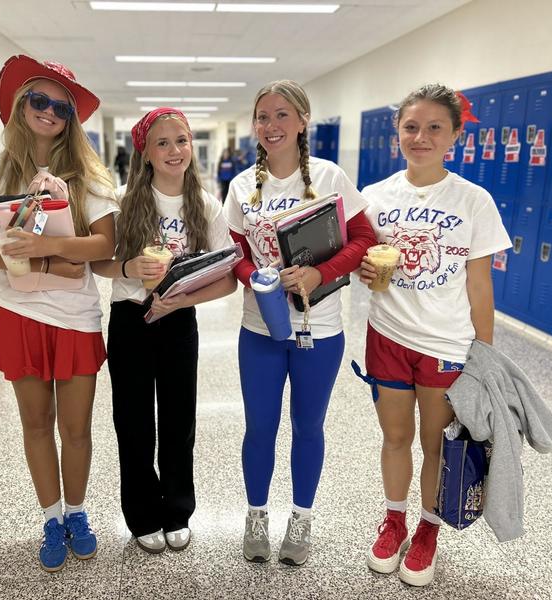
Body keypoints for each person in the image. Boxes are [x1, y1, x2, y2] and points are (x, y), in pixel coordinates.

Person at [0, 55, 117, 573]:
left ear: (72, 118)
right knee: (36, 423)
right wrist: (35, 258)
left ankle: (77, 513)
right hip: (19, 311)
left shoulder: (90, 174)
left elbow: (103, 245)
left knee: (76, 429)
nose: (49, 112)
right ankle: (50, 518)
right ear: (20, 105)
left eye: (61, 106)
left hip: (75, 317)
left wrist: (48, 253)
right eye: (39, 100)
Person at [356, 84, 510, 587]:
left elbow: (479, 282)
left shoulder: (474, 200)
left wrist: (482, 357)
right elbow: (360, 261)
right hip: (387, 336)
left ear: (455, 136)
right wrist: (362, 269)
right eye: (411, 127)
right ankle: (394, 519)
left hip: (445, 345)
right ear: (398, 132)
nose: (421, 137)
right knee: (395, 438)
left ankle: (428, 530)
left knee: (436, 446)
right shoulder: (374, 197)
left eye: (434, 128)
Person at [223, 80, 376, 566]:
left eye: (282, 115)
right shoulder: (242, 186)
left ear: (303, 121)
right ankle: (256, 516)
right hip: (260, 330)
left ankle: (302, 519)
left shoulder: (330, 177)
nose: (271, 126)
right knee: (259, 428)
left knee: (308, 426)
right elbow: (234, 254)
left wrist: (318, 272)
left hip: (321, 330)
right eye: (263, 116)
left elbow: (363, 238)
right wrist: (256, 276)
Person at [92, 108, 236, 554]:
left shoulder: (206, 204)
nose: (174, 151)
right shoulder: (121, 200)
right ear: (146, 153)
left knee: (178, 420)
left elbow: (228, 275)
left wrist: (184, 299)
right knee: (132, 422)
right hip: (130, 321)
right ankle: (141, 515)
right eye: (162, 143)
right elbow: (97, 262)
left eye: (182, 141)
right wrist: (129, 267)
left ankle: (177, 510)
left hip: (178, 321)